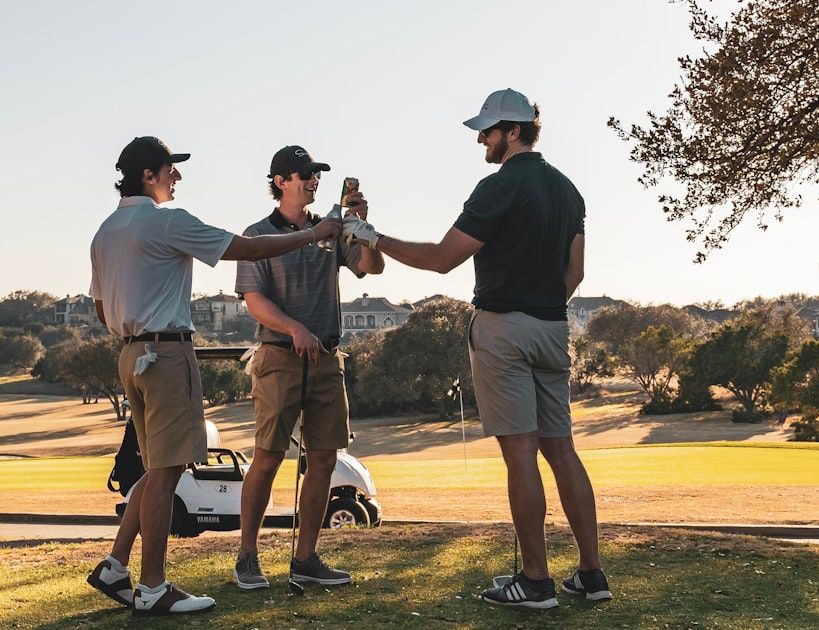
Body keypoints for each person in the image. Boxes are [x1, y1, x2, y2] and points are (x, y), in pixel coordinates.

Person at [342, 89, 612, 609]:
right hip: (554, 328)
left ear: (512, 131)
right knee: (562, 450)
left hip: (503, 329)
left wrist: (372, 237)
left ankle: (535, 582)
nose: (480, 139)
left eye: (486, 131)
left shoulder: (499, 186)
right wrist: (541, 308)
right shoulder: (569, 190)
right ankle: (591, 574)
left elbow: (444, 258)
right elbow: (575, 273)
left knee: (520, 454)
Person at [85, 136, 342, 617]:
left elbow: (102, 310)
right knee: (167, 472)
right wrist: (313, 234)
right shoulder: (166, 221)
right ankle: (153, 586)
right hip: (166, 354)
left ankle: (116, 566)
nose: (176, 176)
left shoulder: (105, 230)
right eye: (169, 169)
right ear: (148, 175)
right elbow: (244, 248)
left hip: (129, 354)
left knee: (155, 467)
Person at [231, 146, 383, 590]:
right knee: (268, 456)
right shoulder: (256, 234)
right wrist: (295, 327)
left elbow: (371, 269)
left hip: (327, 359)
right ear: (280, 181)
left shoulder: (332, 229)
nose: (314, 180)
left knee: (323, 459)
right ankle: (247, 557)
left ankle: (307, 559)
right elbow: (255, 302)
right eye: (305, 174)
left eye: (317, 174)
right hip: (279, 357)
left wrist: (364, 229)